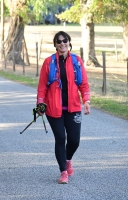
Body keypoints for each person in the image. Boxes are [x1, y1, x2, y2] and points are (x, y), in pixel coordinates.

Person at [36, 31, 90, 184]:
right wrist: (40, 103)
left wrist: (86, 100)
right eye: (58, 42)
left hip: (73, 107)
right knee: (60, 138)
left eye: (64, 40)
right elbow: (42, 86)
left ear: (69, 42)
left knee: (74, 141)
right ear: (55, 44)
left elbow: (83, 83)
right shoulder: (49, 62)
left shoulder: (77, 61)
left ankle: (68, 159)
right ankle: (63, 172)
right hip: (54, 108)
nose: (62, 44)